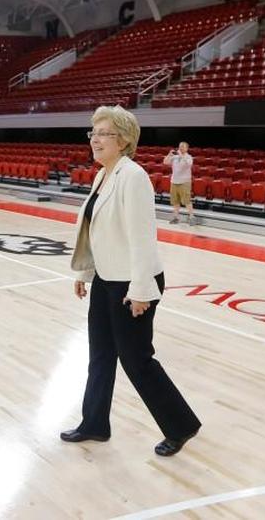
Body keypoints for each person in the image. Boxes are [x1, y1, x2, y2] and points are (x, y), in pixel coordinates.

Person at [62, 105, 201, 457]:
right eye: (92, 133)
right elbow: (97, 230)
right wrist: (84, 272)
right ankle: (94, 423)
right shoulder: (103, 175)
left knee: (137, 360)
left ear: (124, 140)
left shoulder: (132, 176)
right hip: (108, 278)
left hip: (134, 282)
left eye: (103, 133)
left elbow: (142, 239)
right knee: (101, 355)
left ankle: (180, 425)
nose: (94, 139)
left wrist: (140, 291)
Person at [163, 141, 195, 225]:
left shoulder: (189, 157)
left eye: (183, 147)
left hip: (184, 182)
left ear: (187, 148)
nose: (180, 148)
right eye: (180, 146)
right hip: (174, 181)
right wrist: (169, 155)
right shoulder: (175, 157)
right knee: (175, 201)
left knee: (187, 201)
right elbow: (165, 162)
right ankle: (176, 218)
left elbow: (188, 164)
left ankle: (192, 217)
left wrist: (181, 155)